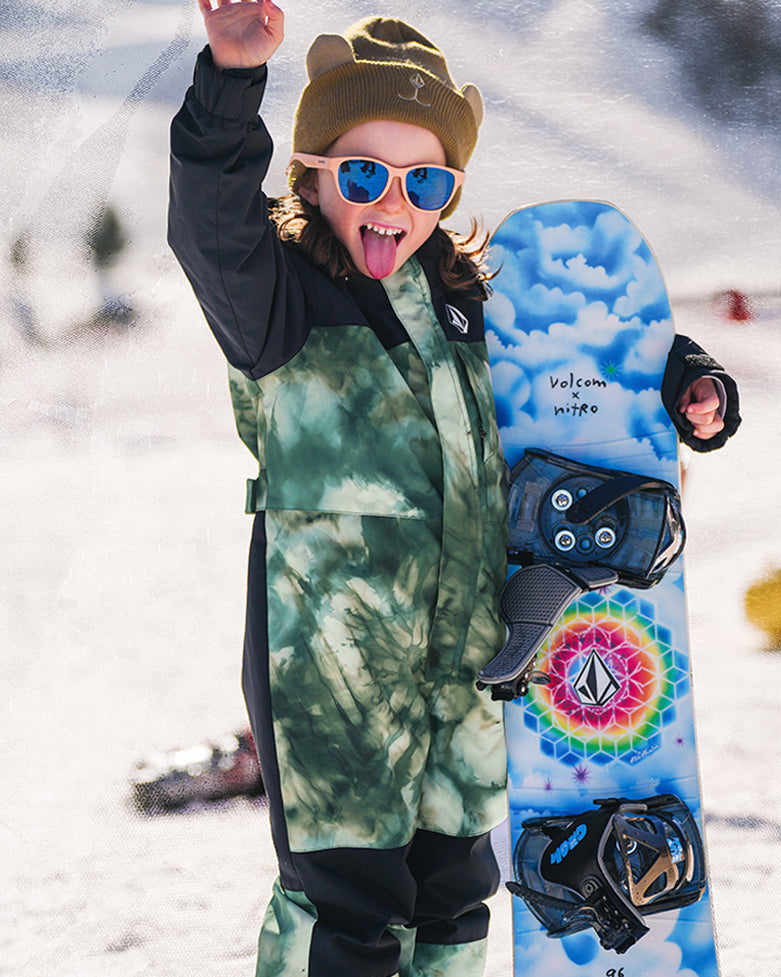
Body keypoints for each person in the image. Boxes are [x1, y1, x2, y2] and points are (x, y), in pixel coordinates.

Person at [167, 4, 740, 975]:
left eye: (424, 178)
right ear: (311, 170)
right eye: (361, 173)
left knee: (454, 898)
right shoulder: (278, 304)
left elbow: (583, 362)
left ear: (452, 188)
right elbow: (208, 220)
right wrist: (229, 78)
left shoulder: (478, 306)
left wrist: (683, 379)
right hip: (332, 670)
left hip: (467, 663)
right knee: (349, 906)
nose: (392, 201)